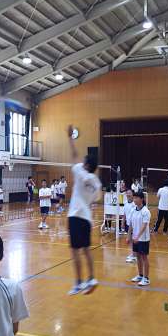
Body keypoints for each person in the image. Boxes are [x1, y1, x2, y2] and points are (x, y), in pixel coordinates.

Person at [67, 125, 102, 295]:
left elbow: (74, 156)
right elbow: (97, 199)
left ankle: (79, 283)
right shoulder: (97, 182)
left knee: (75, 251)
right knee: (86, 249)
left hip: (75, 215)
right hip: (87, 218)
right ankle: (92, 278)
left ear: (86, 164)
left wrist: (70, 138)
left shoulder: (79, 171)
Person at [127, 191, 151, 286]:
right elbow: (131, 224)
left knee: (144, 257)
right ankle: (140, 275)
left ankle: (146, 278)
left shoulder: (146, 211)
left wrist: (138, 236)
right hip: (135, 238)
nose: (134, 199)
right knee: (137, 256)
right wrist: (129, 236)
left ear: (142, 199)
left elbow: (144, 225)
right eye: (134, 198)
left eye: (136, 198)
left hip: (143, 239)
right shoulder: (133, 210)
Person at [122, 189, 136, 263]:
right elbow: (124, 214)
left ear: (133, 194)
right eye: (127, 193)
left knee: (134, 240)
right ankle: (133, 254)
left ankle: (134, 255)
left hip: (134, 225)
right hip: (128, 224)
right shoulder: (125, 203)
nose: (128, 194)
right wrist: (122, 223)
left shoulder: (135, 204)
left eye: (129, 193)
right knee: (130, 240)